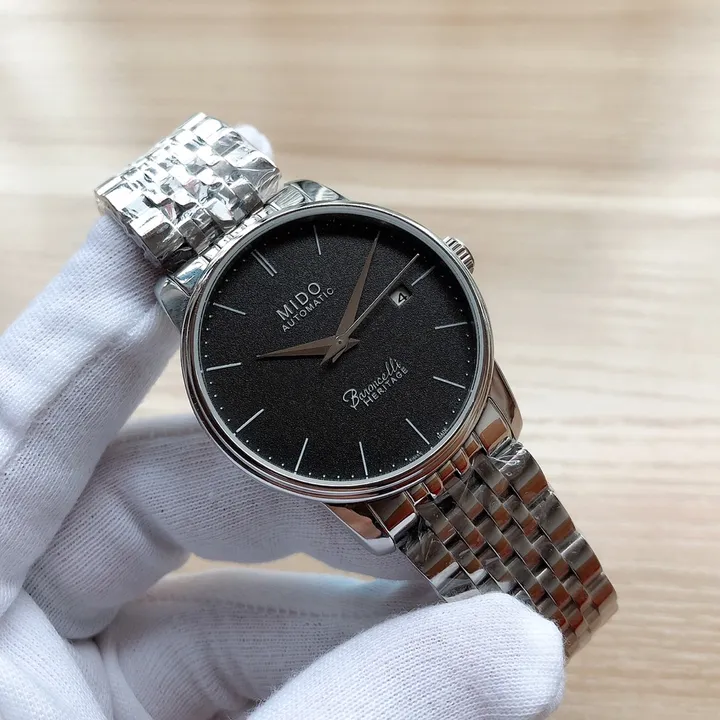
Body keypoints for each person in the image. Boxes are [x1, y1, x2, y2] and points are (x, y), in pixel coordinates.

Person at [0, 127, 564, 720]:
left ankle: (549, 603)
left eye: (338, 342)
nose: (338, 350)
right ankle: (550, 606)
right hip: (378, 472)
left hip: (460, 414)